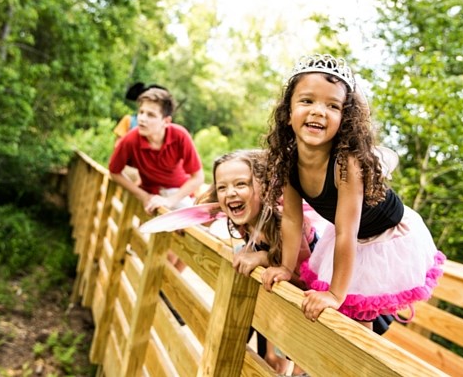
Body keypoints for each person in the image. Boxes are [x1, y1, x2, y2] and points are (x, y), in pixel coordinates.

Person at [260, 53, 446, 330]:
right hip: (351, 236)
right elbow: (291, 219)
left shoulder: (347, 163)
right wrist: (286, 268)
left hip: (385, 237)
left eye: (332, 106)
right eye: (307, 100)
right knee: (344, 311)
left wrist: (335, 294)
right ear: (287, 114)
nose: (318, 111)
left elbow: (348, 231)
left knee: (355, 311)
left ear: (343, 120)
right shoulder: (288, 160)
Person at [197, 149, 314, 375]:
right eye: (222, 187)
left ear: (264, 186)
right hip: (279, 302)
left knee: (295, 367)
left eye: (241, 184)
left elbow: (304, 274)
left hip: (310, 303)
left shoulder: (283, 221)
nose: (230, 193)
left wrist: (263, 257)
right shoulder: (245, 219)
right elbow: (205, 211)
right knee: (271, 359)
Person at [108, 85, 204, 214]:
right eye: (141, 112)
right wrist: (142, 195)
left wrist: (170, 200)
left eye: (151, 115)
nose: (142, 119)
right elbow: (114, 171)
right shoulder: (130, 139)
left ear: (166, 121)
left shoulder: (180, 135)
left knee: (195, 225)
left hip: (178, 193)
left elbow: (198, 177)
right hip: (149, 193)